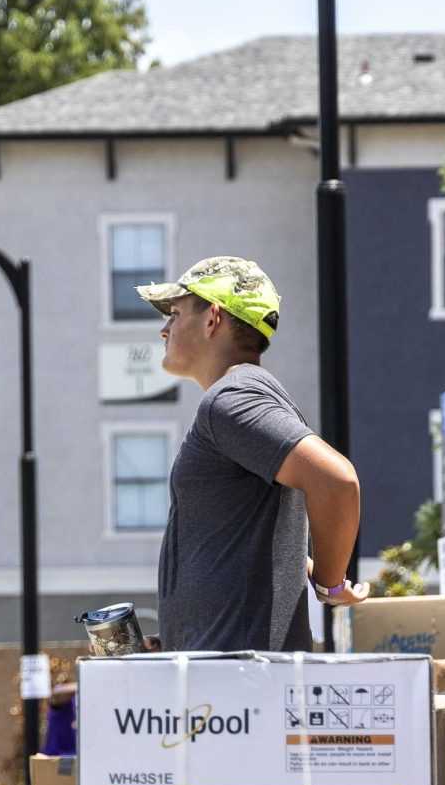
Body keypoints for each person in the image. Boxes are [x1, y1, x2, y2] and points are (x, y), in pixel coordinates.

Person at [138, 255, 367, 650]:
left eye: (174, 314)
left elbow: (337, 481)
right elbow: (263, 533)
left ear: (212, 318)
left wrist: (329, 584)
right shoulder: (245, 395)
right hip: (231, 678)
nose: (164, 329)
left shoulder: (233, 398)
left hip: (239, 685)